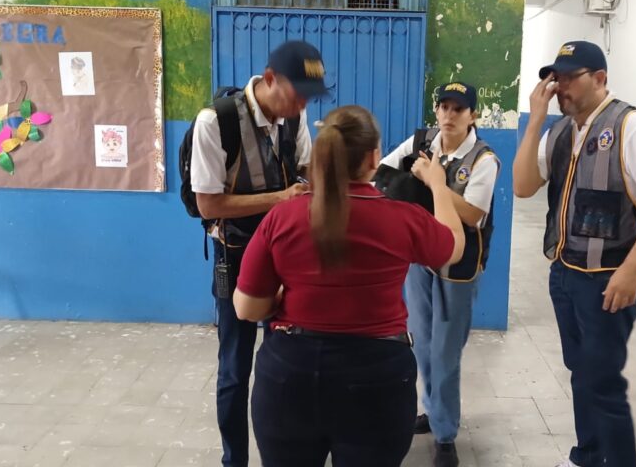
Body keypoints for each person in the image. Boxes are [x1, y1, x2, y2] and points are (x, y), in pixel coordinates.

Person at [232, 105, 466, 467]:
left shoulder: (283, 217)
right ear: (374, 158)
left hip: (289, 376)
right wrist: (437, 184)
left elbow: (246, 309)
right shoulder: (402, 219)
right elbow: (453, 245)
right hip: (377, 379)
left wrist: (285, 294)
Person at [512, 41, 636, 467]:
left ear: (601, 79)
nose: (560, 87)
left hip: (608, 280)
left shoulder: (631, 127)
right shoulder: (559, 132)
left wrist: (632, 270)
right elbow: (522, 186)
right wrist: (535, 121)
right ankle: (587, 456)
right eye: (556, 78)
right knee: (582, 374)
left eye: (570, 77)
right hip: (566, 274)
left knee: (604, 384)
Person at [190, 40, 326, 467]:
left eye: (308, 95)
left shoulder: (294, 116)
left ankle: (283, 453)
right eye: (295, 92)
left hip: (287, 254)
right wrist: (282, 198)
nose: (302, 103)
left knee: (286, 358)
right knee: (234, 369)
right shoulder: (216, 122)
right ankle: (235, 460)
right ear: (269, 79)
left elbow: (306, 169)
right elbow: (208, 204)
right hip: (237, 254)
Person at [379, 83, 500, 467]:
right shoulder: (422, 141)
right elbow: (384, 169)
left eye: (458, 109)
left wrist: (433, 182)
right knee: (422, 345)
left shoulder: (483, 160)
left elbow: (472, 214)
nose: (448, 115)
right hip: (421, 260)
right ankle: (432, 411)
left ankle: (445, 434)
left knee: (446, 353)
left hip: (459, 269)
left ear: (473, 116)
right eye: (443, 107)